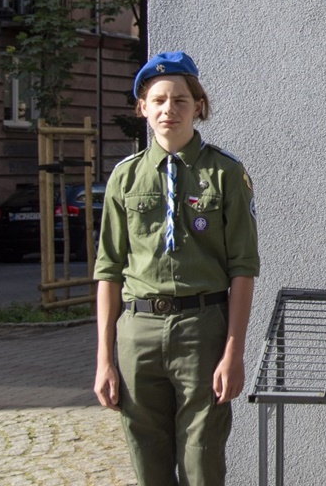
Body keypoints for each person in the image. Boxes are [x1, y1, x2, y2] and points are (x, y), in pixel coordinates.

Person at [93, 51, 259, 486]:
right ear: (143, 108)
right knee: (147, 461)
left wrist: (233, 351)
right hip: (138, 332)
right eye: (159, 100)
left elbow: (243, 267)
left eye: (181, 100)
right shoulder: (125, 179)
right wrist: (104, 358)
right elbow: (108, 269)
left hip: (201, 328)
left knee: (202, 463)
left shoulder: (224, 173)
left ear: (198, 106)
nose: (170, 110)